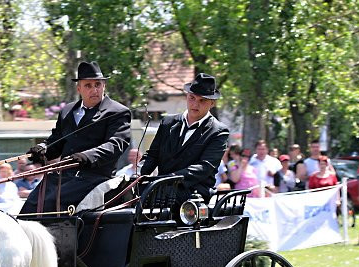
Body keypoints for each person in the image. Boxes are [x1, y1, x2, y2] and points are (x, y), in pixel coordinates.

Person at [21, 61, 131, 214]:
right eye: (88, 85)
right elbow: (57, 140)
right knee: (31, 205)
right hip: (63, 176)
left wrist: (86, 156)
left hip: (93, 177)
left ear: (104, 86)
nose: (94, 90)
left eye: (98, 84)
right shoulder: (67, 111)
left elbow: (116, 144)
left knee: (52, 204)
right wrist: (43, 149)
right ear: (79, 88)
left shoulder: (117, 112)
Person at [139, 73, 230, 203]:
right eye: (192, 98)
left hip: (193, 192)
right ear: (186, 97)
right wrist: (138, 175)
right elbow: (152, 155)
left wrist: (170, 179)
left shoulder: (218, 131)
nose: (195, 104)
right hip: (160, 187)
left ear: (212, 103)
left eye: (202, 100)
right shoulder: (168, 122)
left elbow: (205, 167)